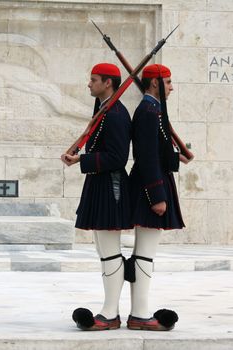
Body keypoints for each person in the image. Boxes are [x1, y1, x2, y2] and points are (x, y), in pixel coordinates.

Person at [61, 63, 132, 331]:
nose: (89, 84)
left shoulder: (115, 114)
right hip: (100, 183)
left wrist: (82, 159)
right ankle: (109, 309)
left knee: (111, 251)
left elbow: (117, 157)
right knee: (103, 250)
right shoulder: (104, 110)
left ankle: (110, 313)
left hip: (110, 186)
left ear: (108, 83)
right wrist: (81, 158)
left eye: (94, 80)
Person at [126, 63, 184, 331]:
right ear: (153, 84)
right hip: (152, 185)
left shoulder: (153, 110)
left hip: (154, 182)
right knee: (145, 254)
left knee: (144, 253)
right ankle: (139, 314)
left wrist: (176, 155)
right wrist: (157, 196)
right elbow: (146, 156)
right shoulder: (149, 111)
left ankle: (139, 312)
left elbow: (157, 151)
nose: (172, 87)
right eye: (168, 82)